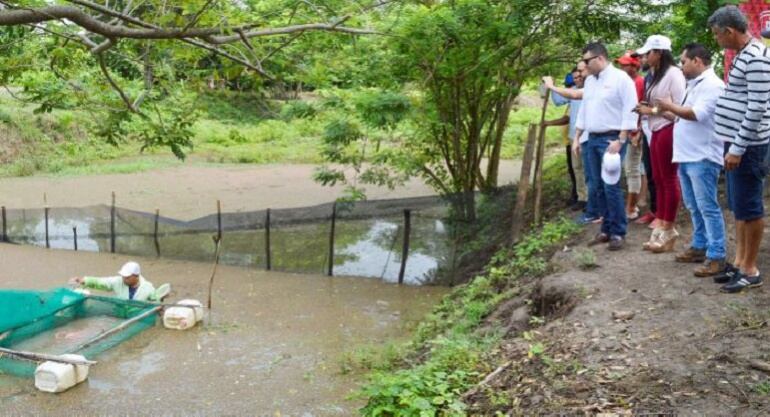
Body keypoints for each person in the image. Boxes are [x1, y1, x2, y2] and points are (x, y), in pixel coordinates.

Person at [709, 5, 770, 293]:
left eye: (717, 35)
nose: (717, 40)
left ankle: (750, 269)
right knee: (739, 207)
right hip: (735, 143)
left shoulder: (756, 58)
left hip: (748, 146)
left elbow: (757, 107)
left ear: (730, 31)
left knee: (750, 208)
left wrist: (737, 147)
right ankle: (738, 261)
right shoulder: (742, 55)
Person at [655, 43, 726, 277]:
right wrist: (656, 111)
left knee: (708, 207)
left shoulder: (713, 85)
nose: (681, 65)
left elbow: (696, 114)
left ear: (697, 61)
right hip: (687, 155)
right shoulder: (693, 85)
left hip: (702, 155)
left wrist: (669, 105)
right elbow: (681, 116)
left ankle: (717, 256)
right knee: (694, 206)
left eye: (684, 61)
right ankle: (700, 245)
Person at [574, 42, 639, 250]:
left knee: (611, 186)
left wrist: (621, 139)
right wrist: (577, 136)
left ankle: (618, 231)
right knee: (597, 186)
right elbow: (584, 110)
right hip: (592, 138)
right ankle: (606, 229)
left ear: (600, 58)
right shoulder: (591, 81)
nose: (584, 65)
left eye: (587, 61)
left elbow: (631, 109)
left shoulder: (621, 79)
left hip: (611, 139)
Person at [634, 35, 686, 253]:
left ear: (660, 53)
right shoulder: (653, 74)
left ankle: (668, 226)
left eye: (648, 53)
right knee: (657, 177)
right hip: (654, 129)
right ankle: (662, 222)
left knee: (668, 178)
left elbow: (681, 108)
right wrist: (645, 109)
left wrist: (652, 111)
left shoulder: (674, 74)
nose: (645, 57)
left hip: (669, 128)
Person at [543, 65, 588, 213]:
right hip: (573, 138)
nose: (578, 79)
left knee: (589, 170)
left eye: (579, 76)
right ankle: (582, 199)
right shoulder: (573, 91)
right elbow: (557, 101)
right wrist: (551, 86)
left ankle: (592, 199)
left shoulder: (591, 90)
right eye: (575, 77)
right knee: (577, 169)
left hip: (587, 137)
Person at [616, 51, 647, 221]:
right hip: (625, 131)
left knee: (632, 168)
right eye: (621, 64)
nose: (622, 67)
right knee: (628, 168)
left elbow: (644, 108)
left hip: (635, 132)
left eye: (625, 64)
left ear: (634, 66)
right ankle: (631, 205)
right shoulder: (625, 82)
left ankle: (631, 207)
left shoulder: (640, 82)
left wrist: (639, 131)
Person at [69, 261, 161, 302]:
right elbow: (101, 282)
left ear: (136, 276)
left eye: (127, 277)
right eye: (123, 276)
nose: (124, 279)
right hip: (120, 315)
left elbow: (155, 301)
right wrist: (84, 281)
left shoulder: (148, 288)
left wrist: (160, 299)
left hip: (137, 318)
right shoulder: (118, 281)